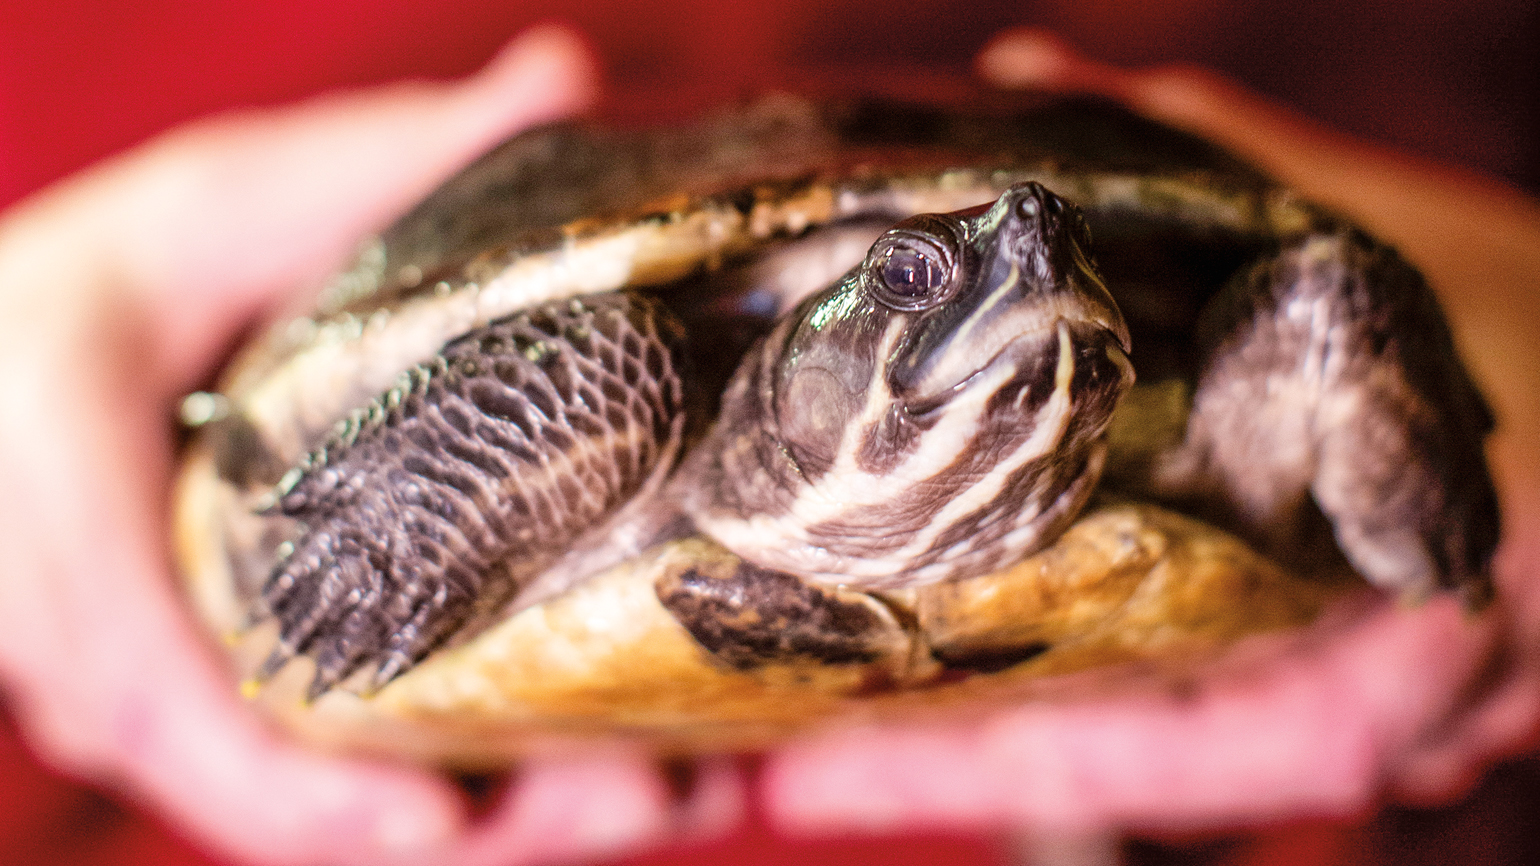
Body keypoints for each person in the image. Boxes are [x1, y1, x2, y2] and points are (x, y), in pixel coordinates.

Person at [0, 24, 1535, 866]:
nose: (1025, 266)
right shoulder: (629, 385)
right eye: (928, 280)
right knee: (606, 373)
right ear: (801, 362)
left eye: (1045, 261)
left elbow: (1336, 296)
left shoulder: (1181, 389)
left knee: (1332, 308)